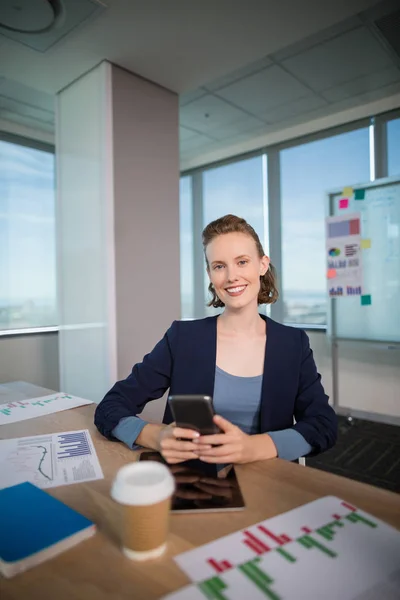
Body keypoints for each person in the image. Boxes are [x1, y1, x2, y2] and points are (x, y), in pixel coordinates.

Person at [95, 214, 337, 464]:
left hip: (268, 480)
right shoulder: (183, 338)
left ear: (262, 265)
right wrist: (154, 436)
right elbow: (110, 407)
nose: (232, 276)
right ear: (210, 273)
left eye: (242, 262)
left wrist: (254, 447)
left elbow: (323, 424)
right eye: (219, 266)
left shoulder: (292, 344)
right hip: (191, 478)